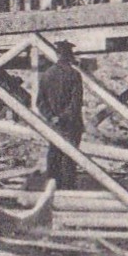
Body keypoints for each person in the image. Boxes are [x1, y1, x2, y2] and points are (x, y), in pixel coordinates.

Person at [37, 40, 85, 189]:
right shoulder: (74, 75)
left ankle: (52, 188)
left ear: (57, 54)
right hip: (71, 124)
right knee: (69, 159)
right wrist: (63, 117)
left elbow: (40, 102)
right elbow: (76, 103)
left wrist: (51, 117)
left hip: (54, 124)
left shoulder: (46, 75)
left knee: (54, 156)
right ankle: (69, 191)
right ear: (70, 55)